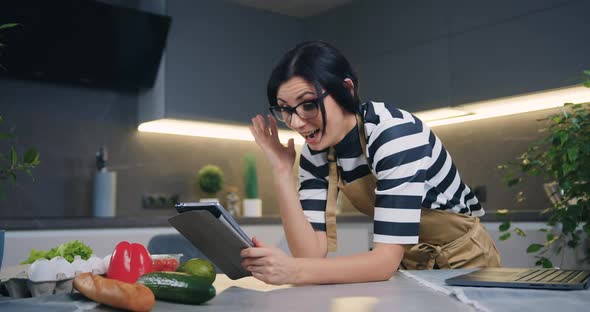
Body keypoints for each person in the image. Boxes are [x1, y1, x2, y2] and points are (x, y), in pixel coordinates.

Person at [242, 41, 501, 285]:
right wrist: (281, 171)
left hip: (467, 263)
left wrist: (290, 270)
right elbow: (309, 253)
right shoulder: (316, 152)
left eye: (308, 105)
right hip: (410, 265)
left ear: (347, 89)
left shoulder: (394, 134)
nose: (296, 123)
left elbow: (383, 262)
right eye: (285, 109)